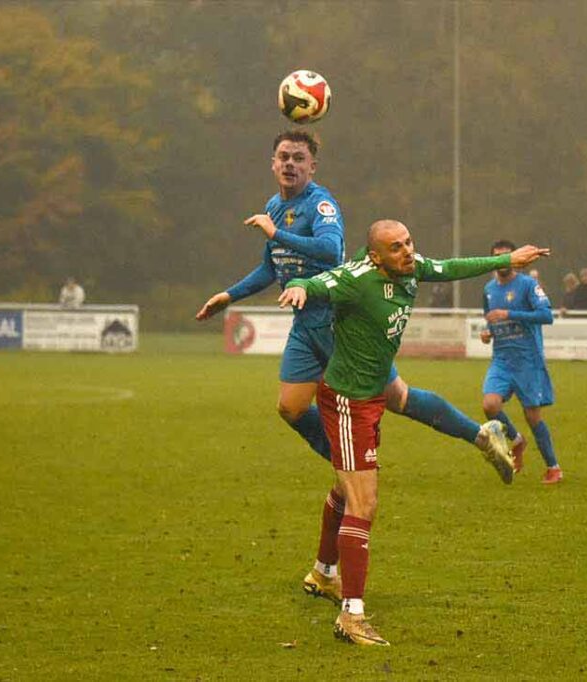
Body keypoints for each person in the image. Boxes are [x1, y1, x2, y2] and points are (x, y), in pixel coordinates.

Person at [194, 131, 514, 602]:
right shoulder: (275, 206)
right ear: (272, 162)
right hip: (306, 322)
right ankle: (347, 461)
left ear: (312, 167)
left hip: (336, 321)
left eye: (298, 159)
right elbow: (272, 266)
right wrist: (229, 295)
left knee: (398, 397)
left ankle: (481, 434)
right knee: (289, 406)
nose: (289, 165)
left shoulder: (321, 206)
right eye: (283, 157)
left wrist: (276, 232)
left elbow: (329, 251)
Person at [279, 220, 548, 646]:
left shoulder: (412, 268)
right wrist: (298, 287)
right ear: (376, 256)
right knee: (363, 503)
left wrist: (506, 259)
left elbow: (453, 266)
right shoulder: (356, 278)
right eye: (396, 247)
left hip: (370, 398)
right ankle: (352, 615)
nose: (407, 251)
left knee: (346, 490)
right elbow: (315, 282)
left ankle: (323, 572)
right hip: (348, 401)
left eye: (408, 242)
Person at [479, 240, 562, 484]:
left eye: (507, 255)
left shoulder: (528, 284)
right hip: (502, 360)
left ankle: (553, 467)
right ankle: (516, 440)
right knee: (489, 405)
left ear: (514, 258)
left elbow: (546, 316)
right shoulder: (488, 289)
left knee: (532, 416)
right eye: (498, 256)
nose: (503, 260)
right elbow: (491, 320)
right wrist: (488, 333)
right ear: (493, 260)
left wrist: (509, 314)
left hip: (528, 360)